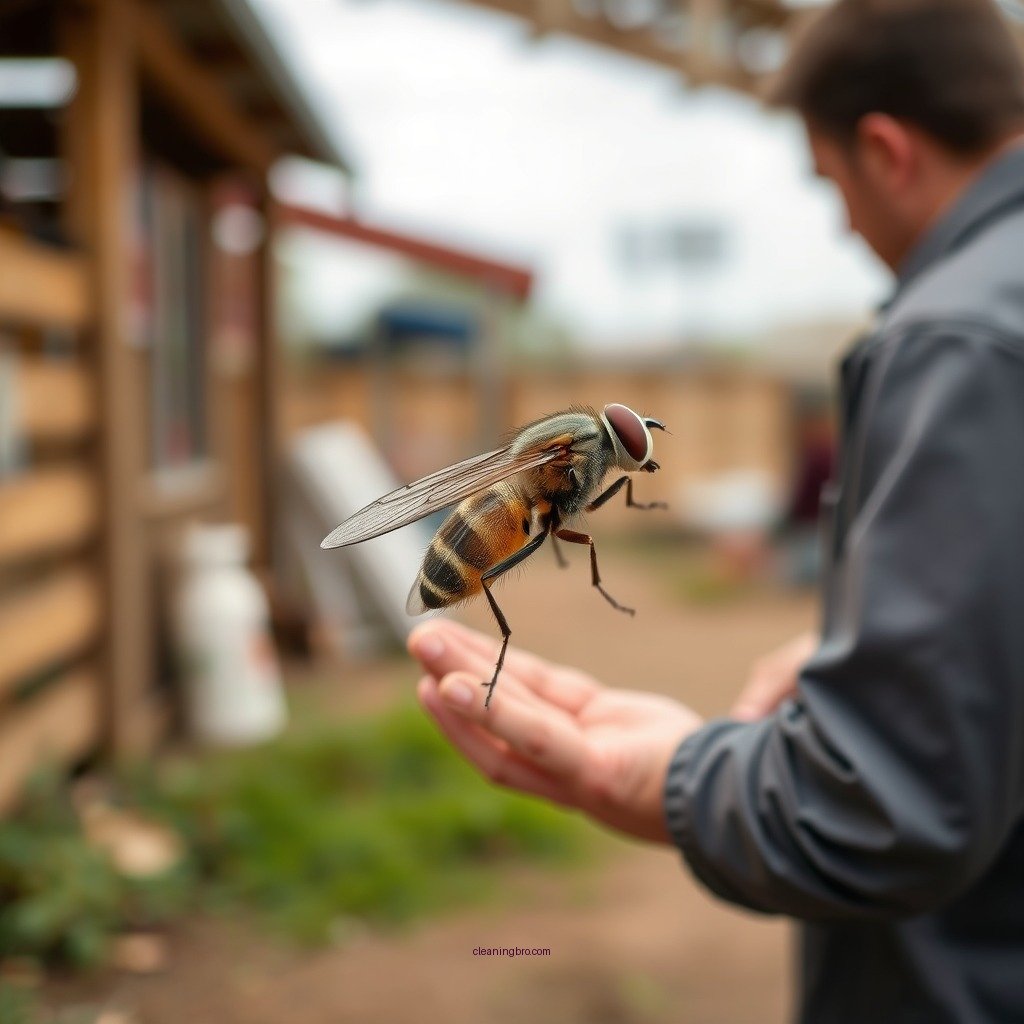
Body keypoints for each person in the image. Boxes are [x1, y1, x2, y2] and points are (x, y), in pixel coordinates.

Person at [408, 1, 1024, 1019]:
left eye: (831, 186)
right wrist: (903, 648)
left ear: (885, 149)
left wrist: (659, 777)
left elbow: (891, 804)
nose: (842, 223)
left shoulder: (957, 336)